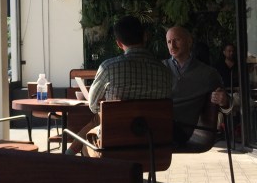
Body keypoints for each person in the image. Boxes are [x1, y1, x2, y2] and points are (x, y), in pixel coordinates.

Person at [66, 15, 173, 155]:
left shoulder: (108, 68)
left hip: (113, 149)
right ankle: (69, 154)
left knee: (94, 128)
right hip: (155, 150)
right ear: (145, 36)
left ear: (118, 43)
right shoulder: (165, 71)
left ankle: (68, 155)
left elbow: (93, 106)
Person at [164, 26, 230, 144]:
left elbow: (227, 104)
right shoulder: (160, 68)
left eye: (177, 40)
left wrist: (224, 101)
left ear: (189, 42)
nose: (172, 45)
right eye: (169, 42)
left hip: (180, 129)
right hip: (157, 123)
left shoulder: (208, 73)